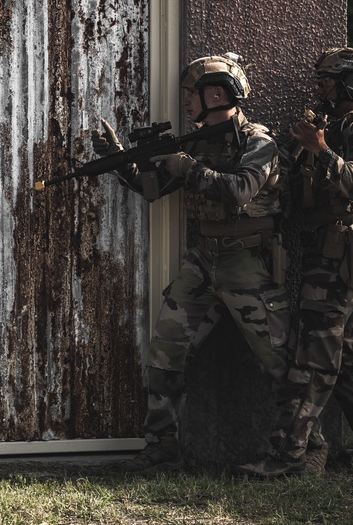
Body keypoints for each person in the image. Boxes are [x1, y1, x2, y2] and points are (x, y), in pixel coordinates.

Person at [92, 53, 291, 473]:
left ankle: (296, 450)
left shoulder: (258, 141)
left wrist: (189, 167)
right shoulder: (195, 142)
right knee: (165, 353)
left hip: (247, 261)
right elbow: (153, 189)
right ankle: (161, 445)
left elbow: (239, 190)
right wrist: (120, 161)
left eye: (190, 93)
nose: (185, 101)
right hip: (203, 261)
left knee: (280, 361)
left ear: (215, 94)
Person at [240, 46, 353, 478]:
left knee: (315, 354)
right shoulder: (337, 125)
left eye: (326, 81)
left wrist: (322, 149)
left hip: (342, 249)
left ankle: (289, 456)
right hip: (323, 248)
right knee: (342, 352)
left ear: (351, 83)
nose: (318, 89)